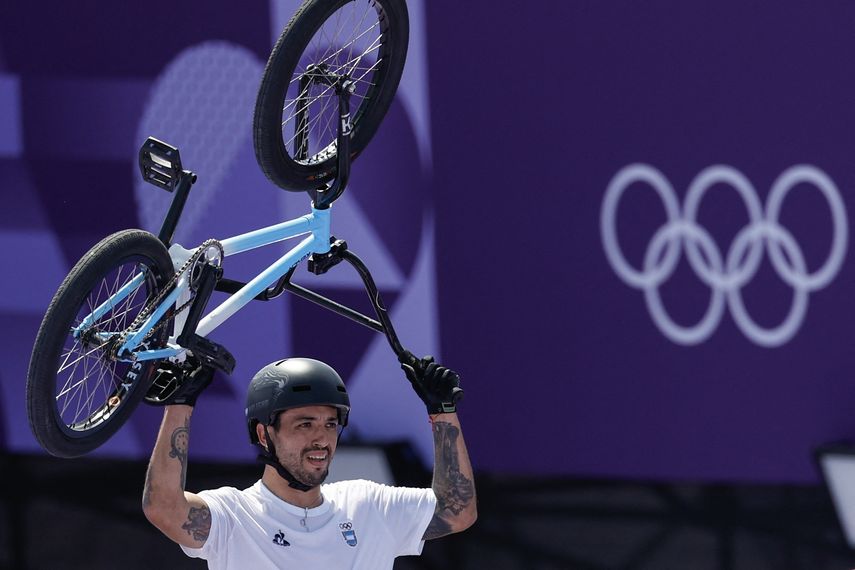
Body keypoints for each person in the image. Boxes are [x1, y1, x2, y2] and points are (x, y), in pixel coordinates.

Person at [142, 355, 476, 568]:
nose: (321, 438)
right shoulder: (233, 514)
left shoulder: (368, 503)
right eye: (305, 424)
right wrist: (180, 404)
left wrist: (443, 412)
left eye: (330, 424)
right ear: (263, 434)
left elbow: (456, 511)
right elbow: (164, 507)